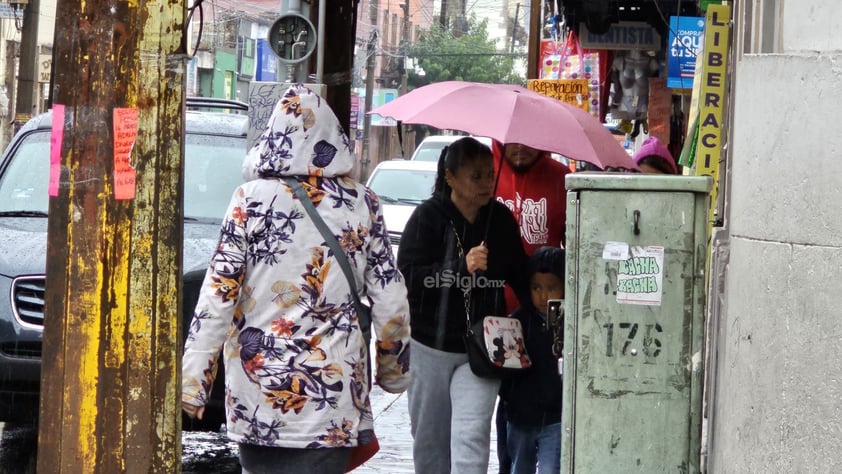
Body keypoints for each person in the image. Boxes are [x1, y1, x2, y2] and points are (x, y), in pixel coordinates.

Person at [181, 84, 411, 474]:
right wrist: (393, 372)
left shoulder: (248, 200)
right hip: (332, 399)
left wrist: (193, 383)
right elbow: (391, 300)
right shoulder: (363, 203)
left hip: (259, 399)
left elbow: (217, 297)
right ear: (334, 140)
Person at [397, 137, 529, 474]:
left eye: (489, 175)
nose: (487, 183)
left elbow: (520, 275)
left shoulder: (499, 220)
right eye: (476, 176)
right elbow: (408, 278)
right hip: (430, 346)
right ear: (450, 176)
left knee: (471, 434)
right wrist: (459, 268)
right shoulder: (427, 218)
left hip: (484, 350)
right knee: (430, 439)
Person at [491, 141, 570, 473]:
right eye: (512, 145)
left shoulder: (561, 178)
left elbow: (575, 239)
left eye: (528, 144)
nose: (520, 149)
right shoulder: (488, 177)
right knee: (507, 398)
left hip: (548, 316)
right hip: (495, 314)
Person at [499, 246, 565, 474]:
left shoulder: (571, 323)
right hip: (521, 418)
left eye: (551, 288)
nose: (543, 296)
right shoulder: (517, 322)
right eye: (536, 288)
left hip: (556, 419)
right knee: (520, 467)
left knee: (551, 469)